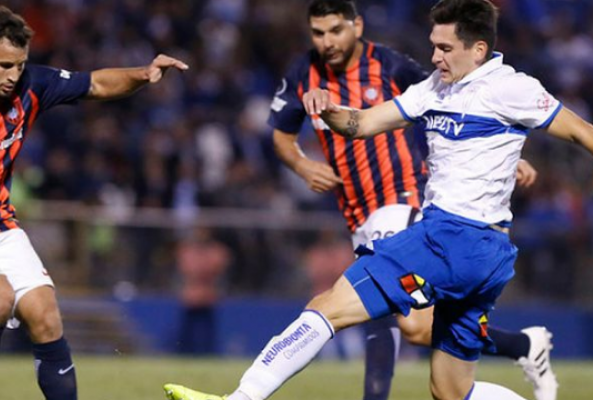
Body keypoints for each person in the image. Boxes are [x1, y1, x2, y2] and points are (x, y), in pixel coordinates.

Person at [164, 0, 593, 399]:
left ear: (478, 49)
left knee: (327, 307)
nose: (435, 56)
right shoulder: (434, 88)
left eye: (444, 48)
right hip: (483, 254)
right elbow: (363, 123)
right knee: (450, 391)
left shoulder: (511, 88)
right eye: (433, 46)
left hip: (449, 238)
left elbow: (580, 130)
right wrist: (329, 110)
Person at [269, 1, 554, 400]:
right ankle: (523, 347)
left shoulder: (391, 65)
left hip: (403, 197)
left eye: (335, 30)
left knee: (366, 306)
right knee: (424, 340)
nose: (327, 41)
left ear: (357, 26)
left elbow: (459, 101)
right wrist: (302, 166)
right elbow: (284, 136)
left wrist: (506, 154)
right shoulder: (303, 73)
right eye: (318, 33)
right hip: (356, 209)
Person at [0, 6, 187, 400]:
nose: (14, 75)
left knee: (45, 314)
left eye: (20, 65)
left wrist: (142, 73)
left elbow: (97, 84)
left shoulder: (31, 85)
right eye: (5, 65)